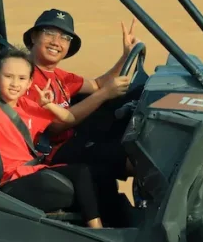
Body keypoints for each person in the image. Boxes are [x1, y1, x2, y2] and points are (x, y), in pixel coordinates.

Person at [0, 46, 113, 229]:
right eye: (8, 77)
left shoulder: (27, 105)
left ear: (30, 82)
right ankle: (97, 230)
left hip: (31, 169)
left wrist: (48, 105)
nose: (15, 83)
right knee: (81, 172)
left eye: (22, 78)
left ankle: (117, 225)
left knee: (100, 174)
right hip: (13, 178)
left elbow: (69, 118)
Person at [21, 9, 140, 180]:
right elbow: (55, 126)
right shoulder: (24, 77)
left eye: (65, 38)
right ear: (34, 37)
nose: (56, 42)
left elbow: (98, 84)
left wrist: (126, 56)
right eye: (49, 33)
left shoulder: (59, 76)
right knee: (128, 158)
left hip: (71, 137)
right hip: (50, 151)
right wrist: (104, 94)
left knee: (131, 101)